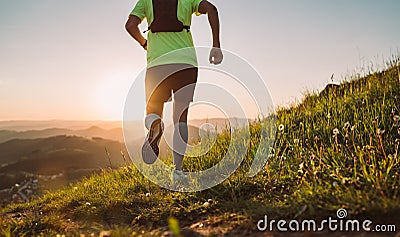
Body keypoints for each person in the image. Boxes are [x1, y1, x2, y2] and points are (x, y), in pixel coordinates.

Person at [125, 0, 223, 182]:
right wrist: (216, 45)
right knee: (181, 118)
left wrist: (144, 43)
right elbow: (212, 9)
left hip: (157, 65)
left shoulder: (146, 0)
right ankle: (178, 171)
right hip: (185, 64)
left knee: (153, 110)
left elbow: (130, 25)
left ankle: (155, 124)